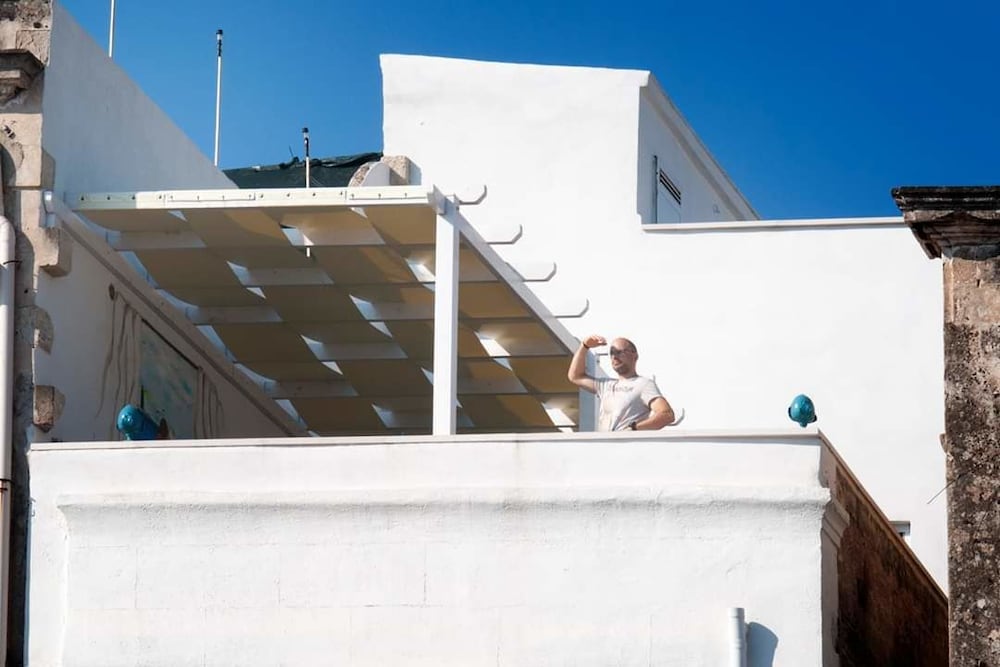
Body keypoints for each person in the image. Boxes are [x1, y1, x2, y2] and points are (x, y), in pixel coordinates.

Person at [567, 334, 675, 431]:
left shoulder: (644, 384)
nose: (614, 357)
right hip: (605, 444)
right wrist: (584, 346)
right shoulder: (605, 385)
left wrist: (634, 427)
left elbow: (666, 414)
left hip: (628, 444)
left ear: (634, 355)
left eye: (619, 352)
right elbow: (575, 376)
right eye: (612, 353)